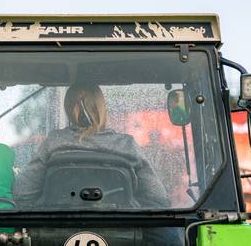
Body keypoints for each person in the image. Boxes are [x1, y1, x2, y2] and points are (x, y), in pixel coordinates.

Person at [15, 83, 169, 208]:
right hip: (122, 230)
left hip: (59, 228)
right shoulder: (126, 145)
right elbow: (157, 198)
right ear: (101, 109)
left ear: (69, 109)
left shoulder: (54, 142)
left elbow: (22, 193)